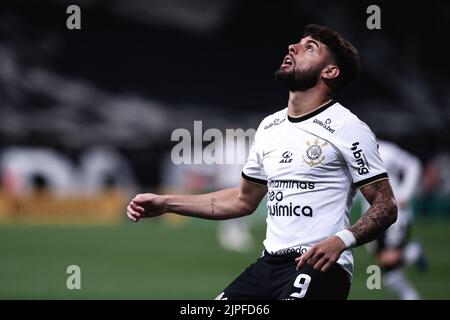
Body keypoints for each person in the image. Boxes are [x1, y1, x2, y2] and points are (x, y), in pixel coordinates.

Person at [126, 24, 398, 300]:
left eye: (309, 48)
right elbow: (243, 200)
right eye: (296, 43)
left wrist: (343, 240)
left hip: (320, 266)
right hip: (269, 265)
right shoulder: (270, 126)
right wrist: (166, 203)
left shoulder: (348, 127)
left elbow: (386, 205)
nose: (293, 48)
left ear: (330, 71)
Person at [359, 140, 426, 300]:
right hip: (372, 214)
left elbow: (413, 165)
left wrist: (405, 194)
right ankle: (412, 253)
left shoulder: (387, 150)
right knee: (388, 269)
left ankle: (413, 253)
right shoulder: (354, 151)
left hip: (394, 211)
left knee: (390, 259)